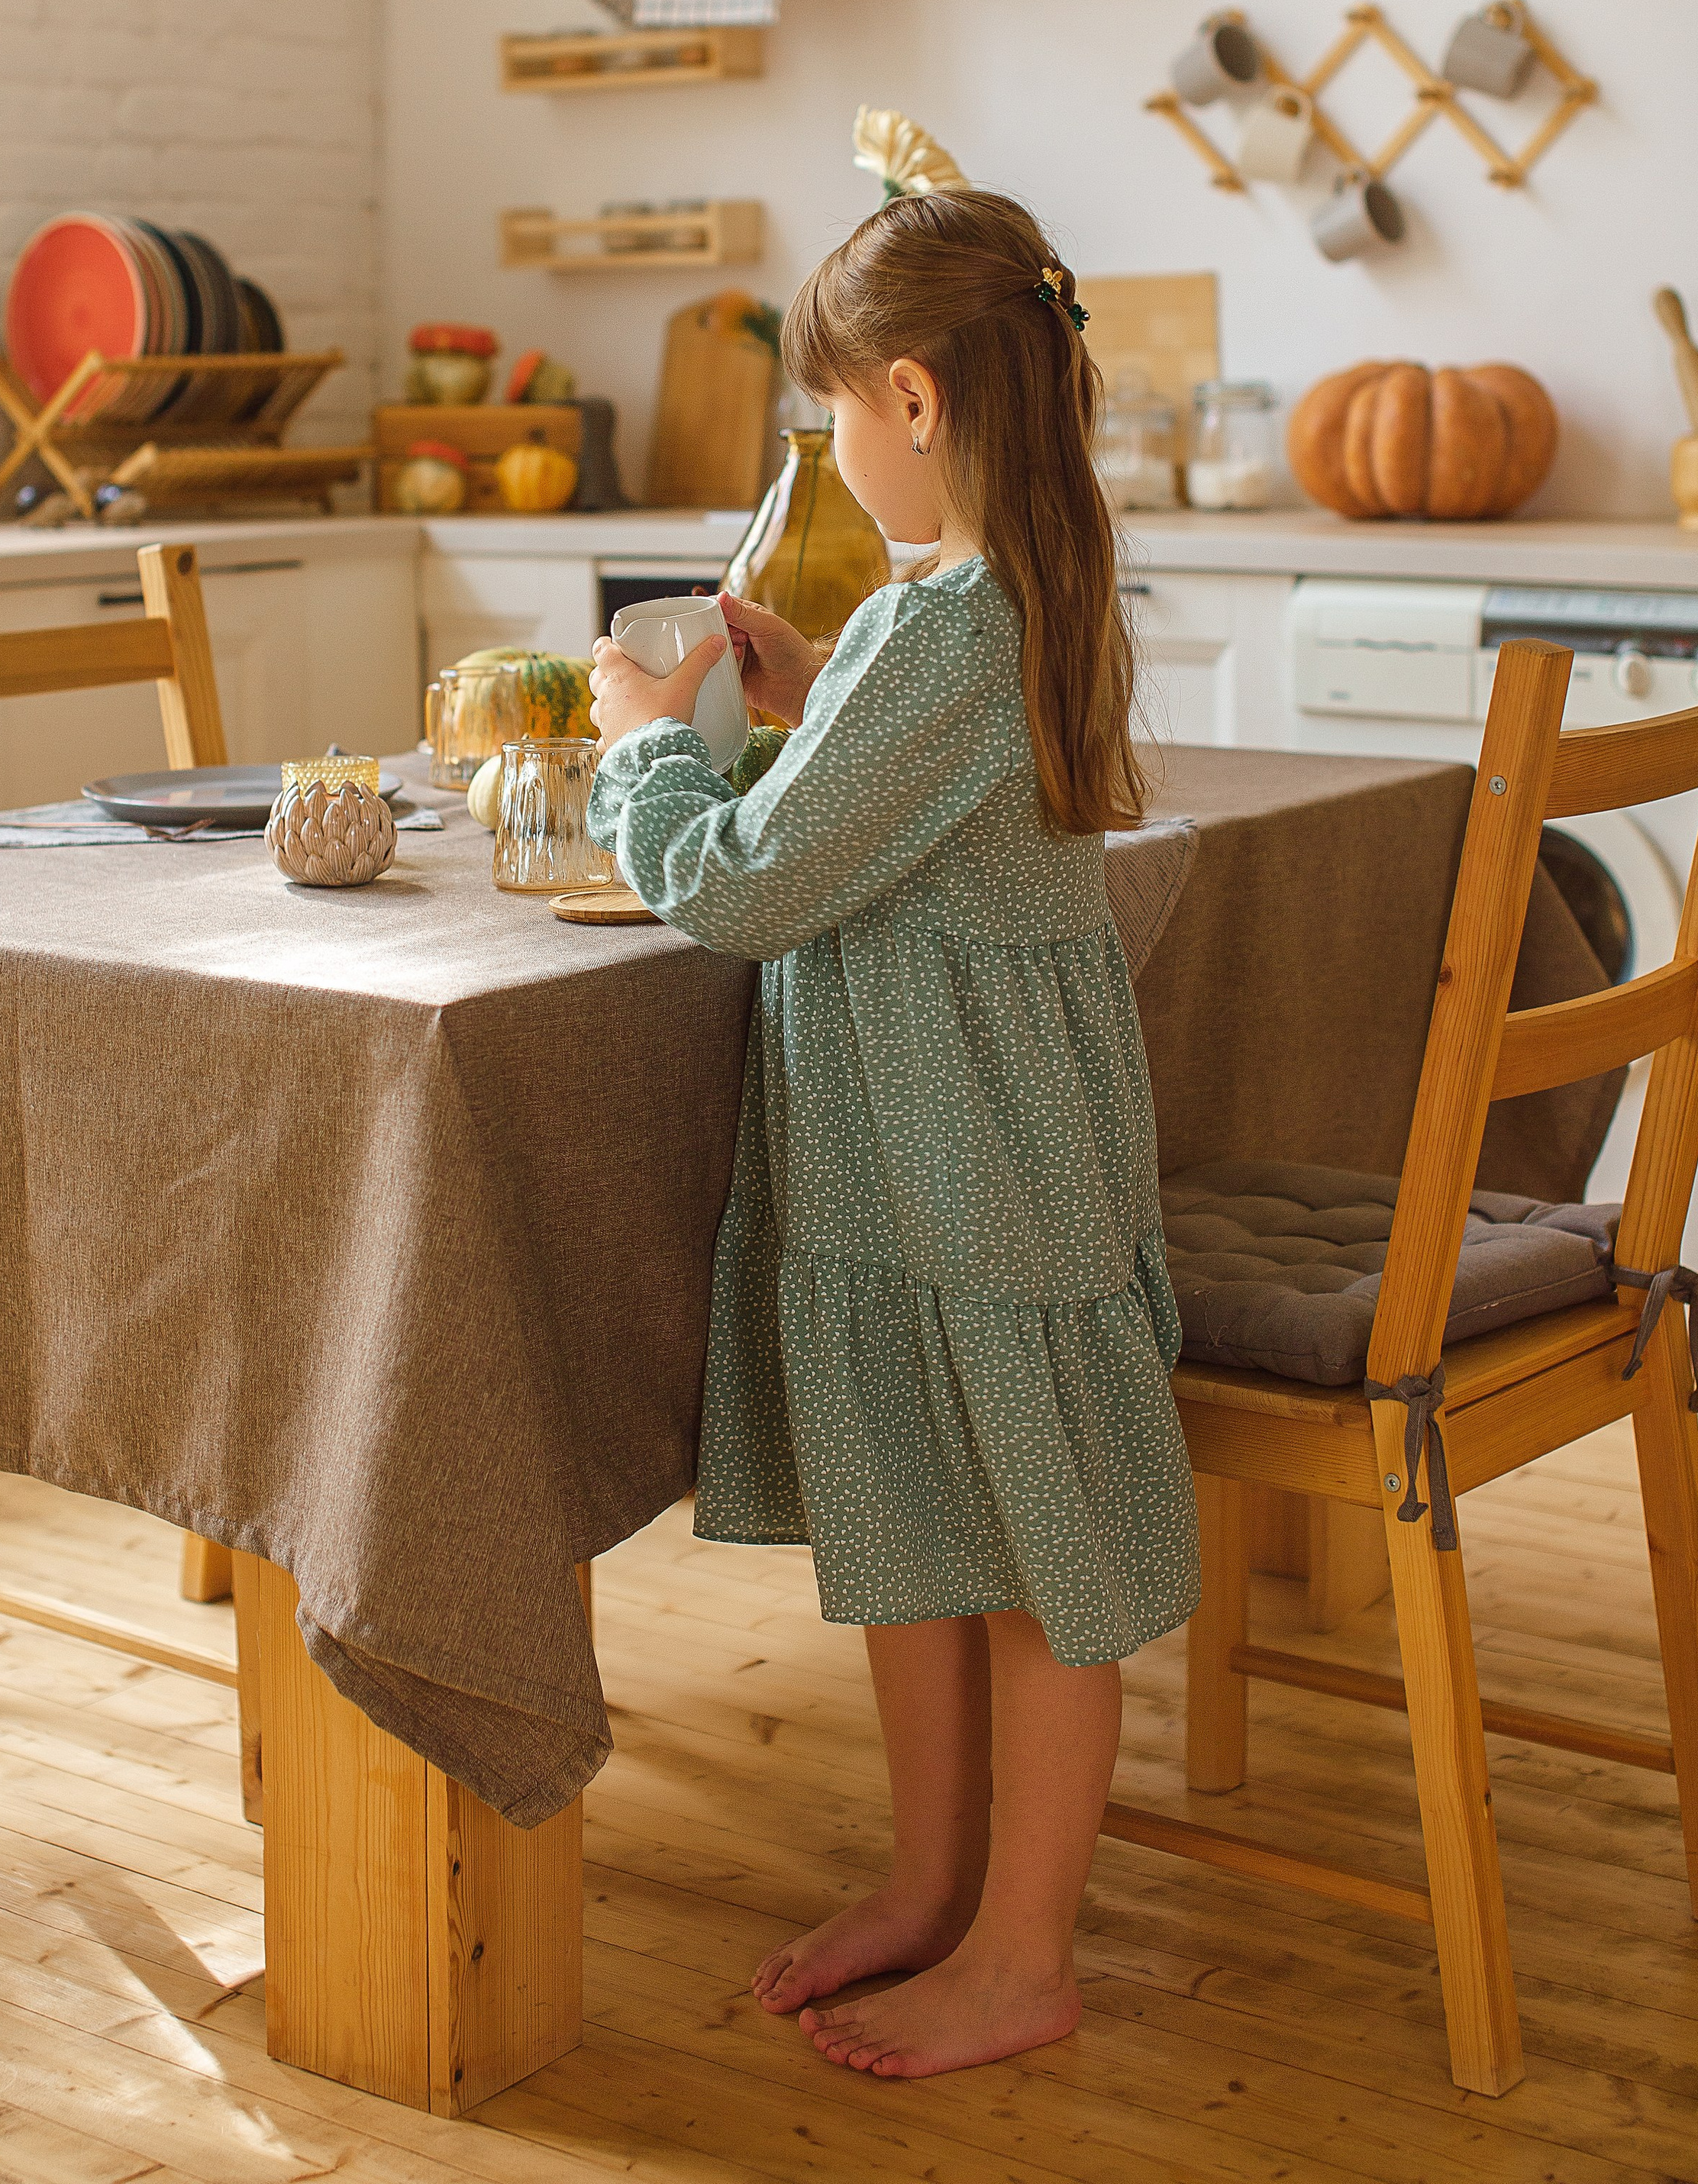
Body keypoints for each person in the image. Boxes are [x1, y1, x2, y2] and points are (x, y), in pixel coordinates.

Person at [586, 188, 1198, 2082]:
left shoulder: (941, 633)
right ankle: (933, 1888)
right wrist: (787, 710)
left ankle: (1022, 1954)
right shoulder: (972, 603)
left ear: (913, 401)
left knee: (1028, 1569)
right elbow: (874, 833)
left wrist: (646, 742)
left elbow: (749, 890)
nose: (830, 452)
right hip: (925, 1162)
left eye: (833, 412)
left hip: (972, 1180)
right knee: (929, 1525)